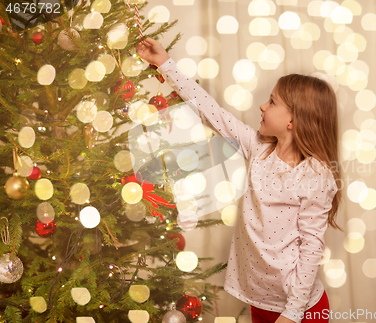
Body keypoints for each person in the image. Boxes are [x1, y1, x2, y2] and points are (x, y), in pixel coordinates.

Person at [136, 38, 341, 323]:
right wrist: (164, 63)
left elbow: (311, 247)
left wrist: (292, 314)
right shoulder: (259, 148)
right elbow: (211, 111)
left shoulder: (315, 176)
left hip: (300, 310)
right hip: (259, 299)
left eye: (272, 102)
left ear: (293, 120)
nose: (262, 106)